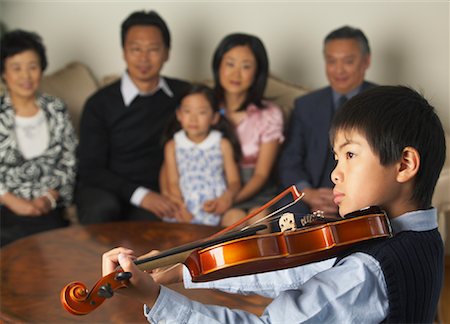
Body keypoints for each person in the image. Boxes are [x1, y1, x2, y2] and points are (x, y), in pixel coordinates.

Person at [103, 85, 445, 322]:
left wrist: (155, 299)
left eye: (350, 155)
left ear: (403, 165)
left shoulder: (367, 273)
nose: (335, 174)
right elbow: (292, 269)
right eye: (336, 158)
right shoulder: (415, 235)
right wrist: (181, 271)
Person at [76, 10, 190, 224]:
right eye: (135, 49)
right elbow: (90, 168)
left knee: (154, 232)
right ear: (124, 52)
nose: (144, 58)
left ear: (166, 53)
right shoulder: (99, 103)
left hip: (158, 193)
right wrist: (140, 195)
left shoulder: (184, 96)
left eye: (153, 49)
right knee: (101, 207)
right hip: (106, 189)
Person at [279, 26, 377, 216]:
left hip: (362, 197)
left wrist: (348, 199)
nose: (339, 70)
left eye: (348, 61)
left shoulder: (383, 103)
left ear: (366, 61)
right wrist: (308, 194)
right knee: (287, 214)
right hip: (312, 196)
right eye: (331, 61)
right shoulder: (305, 105)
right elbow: (289, 161)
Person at [0, 30, 77, 246]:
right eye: (17, 68)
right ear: (4, 72)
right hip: (5, 208)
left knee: (52, 248)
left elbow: (69, 162)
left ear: (41, 69)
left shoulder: (56, 109)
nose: (26, 76)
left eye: (32, 67)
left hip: (48, 207)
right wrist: (13, 202)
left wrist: (49, 198)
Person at [212, 33, 285, 223]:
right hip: (217, 189)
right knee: (233, 220)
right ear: (218, 65)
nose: (236, 74)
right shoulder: (204, 108)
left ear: (257, 72)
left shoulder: (270, 114)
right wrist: (223, 200)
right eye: (230, 64)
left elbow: (261, 174)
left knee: (260, 221)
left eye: (246, 66)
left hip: (257, 190)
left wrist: (231, 199)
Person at [161, 84, 241, 226]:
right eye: (187, 111)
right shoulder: (172, 145)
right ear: (179, 115)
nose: (193, 119)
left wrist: (225, 199)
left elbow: (234, 181)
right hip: (186, 211)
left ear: (215, 117)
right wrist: (181, 208)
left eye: (202, 112)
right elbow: (172, 182)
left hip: (216, 208)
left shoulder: (222, 144)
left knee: (235, 220)